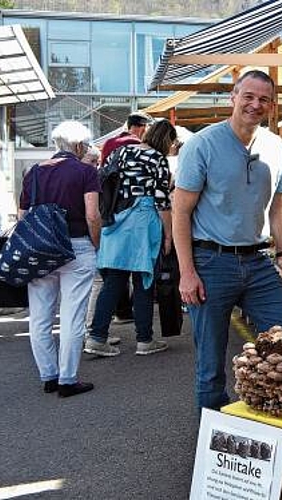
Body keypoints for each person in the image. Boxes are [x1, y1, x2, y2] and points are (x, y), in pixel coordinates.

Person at [172, 70, 282, 410]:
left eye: (263, 99)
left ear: (272, 105)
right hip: (211, 262)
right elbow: (181, 212)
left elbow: (277, 208)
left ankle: (281, 421)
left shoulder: (276, 147)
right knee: (211, 363)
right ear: (233, 97)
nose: (255, 104)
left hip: (259, 262)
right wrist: (186, 273)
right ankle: (213, 445)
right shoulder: (202, 145)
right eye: (248, 96)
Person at [84, 119, 177, 357]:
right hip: (144, 220)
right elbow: (162, 202)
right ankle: (144, 340)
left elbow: (104, 178)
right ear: (166, 140)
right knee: (144, 281)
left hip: (116, 219)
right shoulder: (158, 159)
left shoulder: (122, 151)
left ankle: (96, 337)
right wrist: (168, 235)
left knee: (114, 281)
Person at [21, 121, 101, 398]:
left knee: (40, 316)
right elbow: (92, 215)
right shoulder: (86, 172)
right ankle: (68, 379)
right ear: (79, 146)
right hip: (76, 246)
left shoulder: (33, 174)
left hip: (40, 250)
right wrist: (96, 244)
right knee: (72, 315)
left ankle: (48, 376)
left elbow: (23, 217)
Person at [101, 112, 152, 326]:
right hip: (134, 211)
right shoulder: (136, 145)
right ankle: (143, 334)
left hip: (110, 211)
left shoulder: (108, 144)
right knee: (141, 274)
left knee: (115, 272)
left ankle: (117, 313)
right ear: (141, 128)